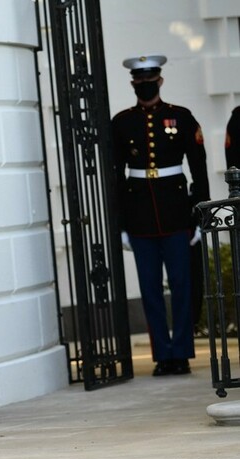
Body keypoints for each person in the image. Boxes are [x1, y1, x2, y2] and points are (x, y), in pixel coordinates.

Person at [111, 54, 210, 376]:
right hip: (139, 216)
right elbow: (115, 175)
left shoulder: (181, 117)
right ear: (133, 84)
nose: (145, 85)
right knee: (150, 289)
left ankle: (181, 353)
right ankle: (162, 356)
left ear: (160, 81)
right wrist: (120, 223)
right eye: (139, 81)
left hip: (177, 213)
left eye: (150, 80)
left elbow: (198, 167)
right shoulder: (122, 122)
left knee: (181, 285)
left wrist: (200, 214)